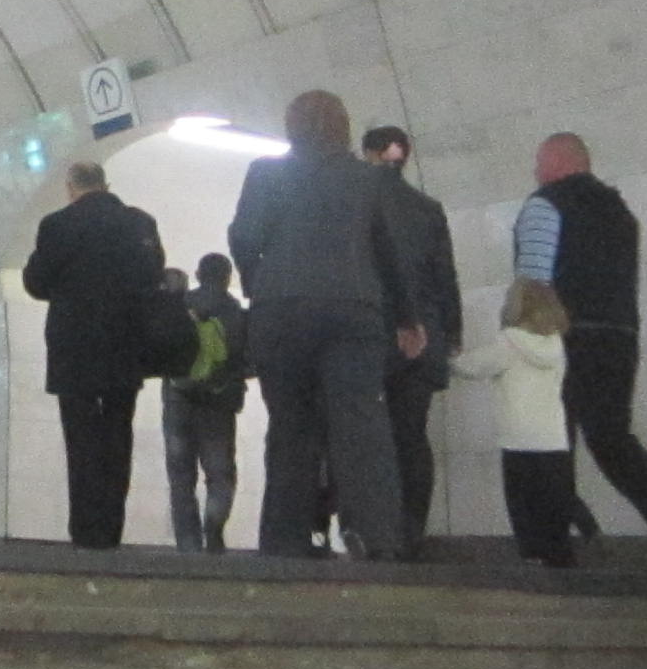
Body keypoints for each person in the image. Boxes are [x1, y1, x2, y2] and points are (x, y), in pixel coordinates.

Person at [228, 89, 425, 561]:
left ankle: (285, 541)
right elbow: (388, 253)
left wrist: (260, 286)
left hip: (280, 312)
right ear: (345, 127)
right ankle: (376, 537)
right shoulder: (368, 180)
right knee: (360, 425)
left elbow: (243, 237)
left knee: (290, 426)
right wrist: (406, 318)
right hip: (352, 310)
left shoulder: (265, 173)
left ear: (290, 127)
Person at [513, 133, 647, 567]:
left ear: (557, 161)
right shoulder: (621, 213)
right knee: (611, 436)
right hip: (619, 337)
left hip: (563, 339)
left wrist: (522, 342)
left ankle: (553, 547)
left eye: (539, 163)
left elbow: (533, 285)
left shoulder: (545, 205)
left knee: (550, 444)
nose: (535, 172)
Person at [21, 161, 164, 549]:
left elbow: (36, 281)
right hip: (125, 341)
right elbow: (153, 276)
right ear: (106, 184)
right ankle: (111, 527)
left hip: (74, 344)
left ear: (71, 187)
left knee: (80, 436)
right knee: (118, 433)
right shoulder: (140, 223)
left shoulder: (57, 225)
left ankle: (85, 529)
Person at [361, 126, 462, 557]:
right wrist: (451, 333)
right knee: (412, 436)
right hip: (424, 336)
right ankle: (412, 531)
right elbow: (445, 277)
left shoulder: (358, 202)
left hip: (372, 335)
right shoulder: (428, 208)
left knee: (368, 436)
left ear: (369, 154)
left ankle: (376, 531)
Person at [453, 279, 576, 567]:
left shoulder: (509, 342)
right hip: (554, 441)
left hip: (519, 441)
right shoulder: (558, 345)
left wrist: (450, 361)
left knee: (525, 511)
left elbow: (476, 366)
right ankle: (562, 564)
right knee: (554, 511)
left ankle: (532, 561)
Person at [166, 252, 249, 554]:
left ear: (199, 275)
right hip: (219, 401)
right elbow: (246, 361)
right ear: (227, 278)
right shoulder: (236, 313)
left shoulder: (180, 306)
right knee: (219, 473)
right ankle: (214, 527)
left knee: (181, 476)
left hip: (178, 397)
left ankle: (188, 545)